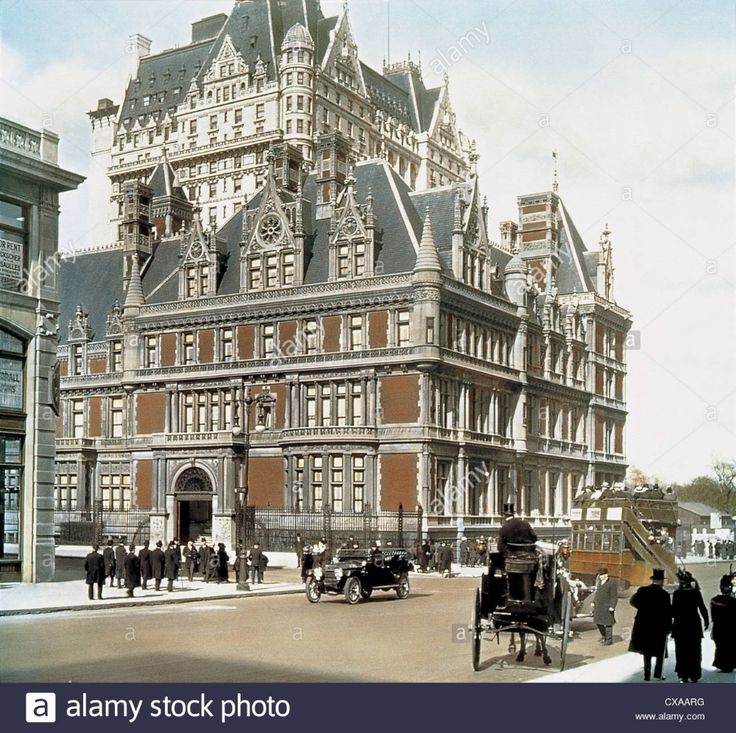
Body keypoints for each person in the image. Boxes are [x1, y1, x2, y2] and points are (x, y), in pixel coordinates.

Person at [629, 568, 672, 681]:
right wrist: (669, 627)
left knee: (647, 651)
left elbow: (632, 601)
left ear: (653, 580)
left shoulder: (643, 590)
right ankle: (658, 674)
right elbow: (668, 613)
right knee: (660, 651)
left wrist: (643, 608)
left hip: (644, 625)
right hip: (659, 626)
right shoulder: (665, 595)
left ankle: (647, 674)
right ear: (661, 581)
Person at [671, 570, 709, 683]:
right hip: (694, 625)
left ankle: (683, 674)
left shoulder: (677, 594)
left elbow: (673, 611)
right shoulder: (695, 593)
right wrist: (706, 621)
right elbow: (702, 608)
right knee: (695, 650)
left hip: (680, 626)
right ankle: (695, 673)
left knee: (681, 651)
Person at [710, 573, 736, 673]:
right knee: (730, 646)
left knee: (721, 647)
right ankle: (729, 664)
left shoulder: (714, 600)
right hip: (731, 628)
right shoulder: (733, 601)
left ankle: (722, 663)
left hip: (718, 627)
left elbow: (713, 616)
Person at [591, 567, 617, 646]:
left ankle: (609, 640)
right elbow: (597, 593)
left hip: (607, 606)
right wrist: (593, 601)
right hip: (599, 606)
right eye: (600, 575)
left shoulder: (611, 583)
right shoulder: (600, 582)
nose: (600, 576)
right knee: (598, 622)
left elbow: (614, 596)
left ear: (607, 575)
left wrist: (612, 606)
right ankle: (604, 636)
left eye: (602, 575)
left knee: (608, 623)